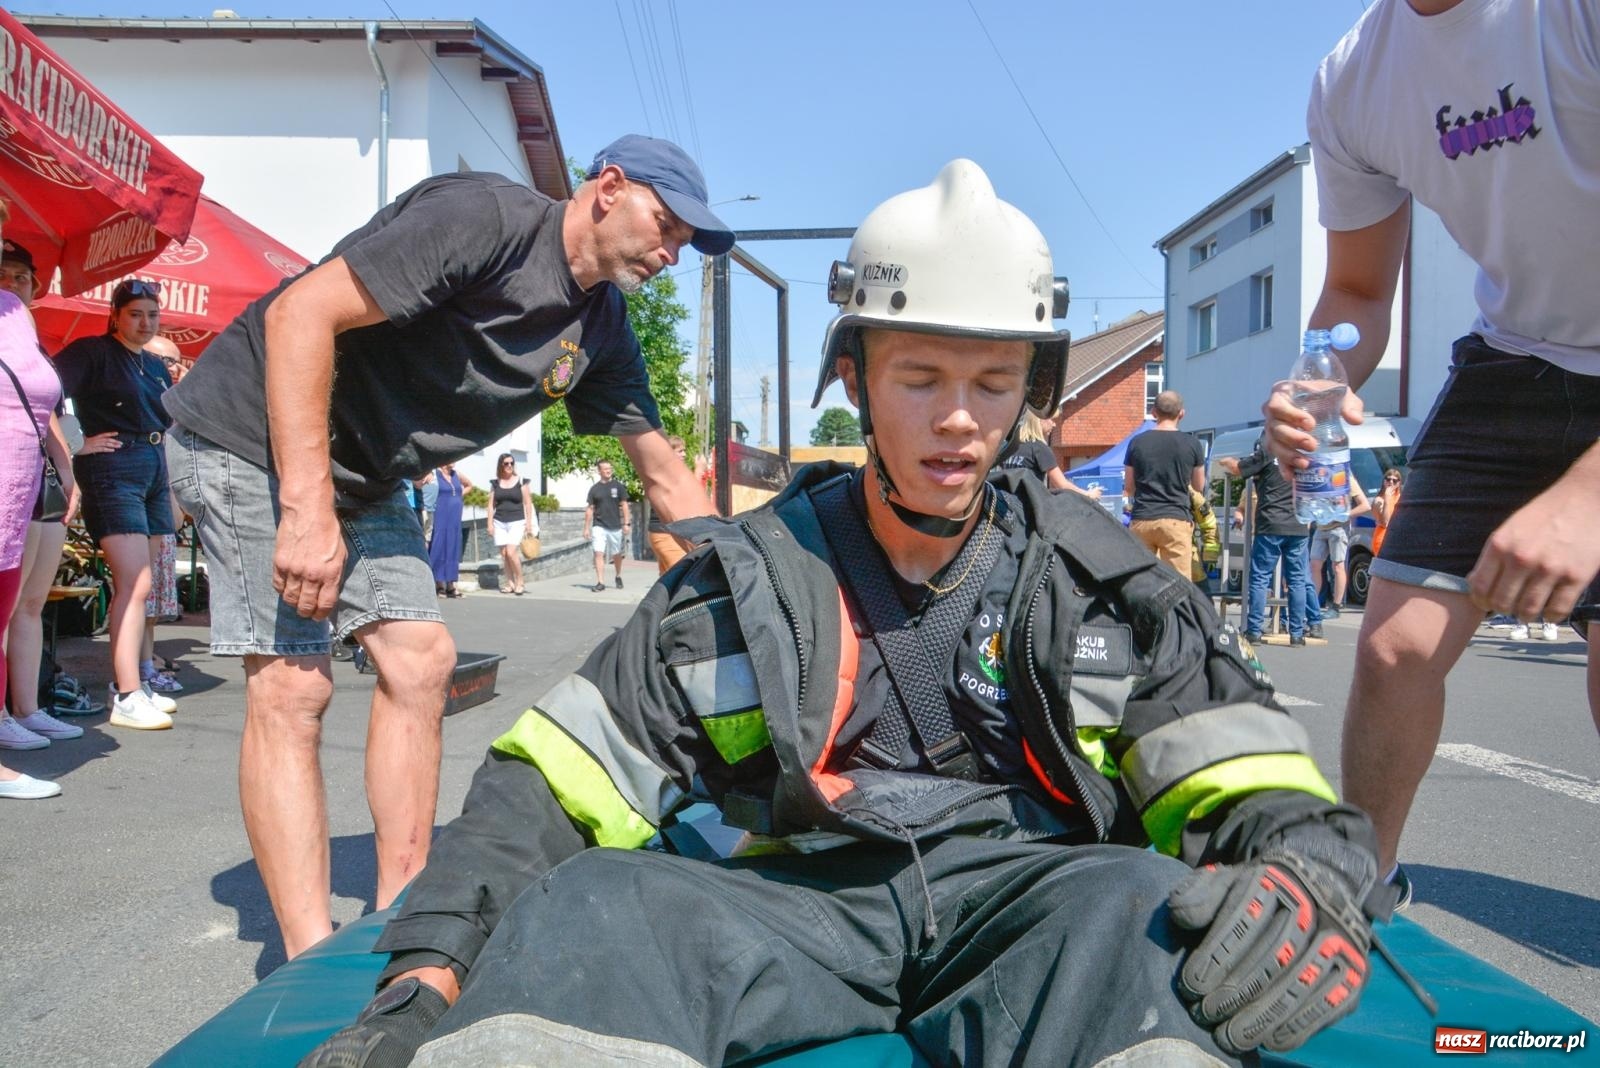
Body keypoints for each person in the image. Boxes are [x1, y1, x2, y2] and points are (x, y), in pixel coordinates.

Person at [304, 160, 1386, 1068]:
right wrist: (426, 975)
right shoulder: (735, 589)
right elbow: (551, 786)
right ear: (853, 381)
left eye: (995, 381)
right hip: (788, 905)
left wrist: (1308, 864)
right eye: (918, 376)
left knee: (1149, 915)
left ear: (1030, 392)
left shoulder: (1102, 586)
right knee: (595, 906)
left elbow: (1241, 768)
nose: (958, 420)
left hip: (1035, 904)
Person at [161, 133, 728, 959]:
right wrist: (308, 509)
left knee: (421, 662)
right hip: (252, 435)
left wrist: (742, 600)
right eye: (668, 225)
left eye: (683, 241)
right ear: (609, 188)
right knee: (293, 686)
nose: (673, 252)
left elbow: (666, 479)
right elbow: (299, 312)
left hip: (369, 468)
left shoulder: (599, 327)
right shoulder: (484, 220)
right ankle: (306, 960)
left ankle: (400, 921)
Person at [1263, 0, 1600, 905]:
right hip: (1516, 356)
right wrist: (1320, 374)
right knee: (1395, 651)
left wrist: (1590, 495)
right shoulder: (1352, 81)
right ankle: (1359, 890)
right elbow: (1358, 289)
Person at [55, 279, 178, 731]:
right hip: (112, 469)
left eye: (152, 314)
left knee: (140, 587)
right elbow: (42, 392)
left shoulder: (155, 366)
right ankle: (126, 693)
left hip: (152, 468)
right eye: (135, 314)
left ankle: (135, 685)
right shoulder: (91, 352)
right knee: (136, 582)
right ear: (115, 315)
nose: (145, 323)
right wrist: (75, 443)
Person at [1, 236, 94, 743]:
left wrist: (66, 470)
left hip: (39, 479)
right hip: (11, 474)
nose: (12, 283)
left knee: (31, 601)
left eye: (21, 277)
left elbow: (49, 417)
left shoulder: (29, 336)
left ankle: (27, 706)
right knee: (8, 604)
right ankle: (8, 717)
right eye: (4, 273)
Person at [1221, 440, 1310, 646]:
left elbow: (1238, 469)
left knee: (1260, 577)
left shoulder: (1269, 452)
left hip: (1270, 524)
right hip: (1298, 524)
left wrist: (1226, 461)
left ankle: (1254, 630)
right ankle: (1297, 634)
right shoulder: (1303, 456)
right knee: (1297, 580)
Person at [1124, 391, 1206, 577]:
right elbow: (1199, 486)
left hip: (1142, 519)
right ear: (1182, 413)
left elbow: (1128, 487)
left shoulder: (1137, 443)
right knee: (1178, 583)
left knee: (1139, 580)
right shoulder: (1192, 444)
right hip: (1176, 520)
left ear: (1153, 412)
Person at [991, 410, 1102, 498]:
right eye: (1052, 420)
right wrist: (1088, 495)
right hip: (1028, 510)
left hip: (1007, 506)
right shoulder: (1039, 448)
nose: (1054, 425)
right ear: (1040, 421)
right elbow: (1061, 484)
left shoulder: (1011, 446)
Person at [1308, 481, 1370, 618]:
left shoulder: (1346, 476)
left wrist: (1343, 515)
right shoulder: (1321, 474)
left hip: (1339, 529)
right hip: (1321, 527)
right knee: (1314, 565)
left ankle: (1336, 606)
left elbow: (1365, 505)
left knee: (1338, 566)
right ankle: (1312, 604)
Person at [646, 434, 693, 575]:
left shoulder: (667, 472)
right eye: (680, 451)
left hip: (665, 532)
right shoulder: (667, 474)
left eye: (684, 450)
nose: (684, 454)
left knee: (667, 579)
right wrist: (699, 472)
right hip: (664, 533)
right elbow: (684, 498)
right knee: (681, 576)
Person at [488, 453, 534, 595]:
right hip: (499, 521)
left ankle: (520, 581)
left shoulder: (521, 481)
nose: (509, 466)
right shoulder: (495, 483)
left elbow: (528, 503)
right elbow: (490, 505)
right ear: (501, 465)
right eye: (506, 463)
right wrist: (489, 524)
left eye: (511, 463)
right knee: (504, 554)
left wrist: (529, 523)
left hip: (517, 521)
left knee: (511, 552)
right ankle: (510, 583)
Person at [583, 459, 631, 592]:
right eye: (605, 469)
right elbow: (590, 509)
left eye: (610, 468)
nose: (608, 470)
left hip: (615, 526)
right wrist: (586, 528)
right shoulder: (594, 489)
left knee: (617, 554)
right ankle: (600, 582)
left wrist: (626, 523)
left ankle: (618, 575)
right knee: (598, 553)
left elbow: (625, 506)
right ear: (599, 471)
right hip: (599, 525)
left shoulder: (618, 486)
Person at [426, 464, 470, 599]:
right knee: (439, 546)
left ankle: (451, 585)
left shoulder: (456, 474)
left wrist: (457, 497)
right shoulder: (435, 474)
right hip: (441, 514)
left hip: (454, 517)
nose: (455, 461)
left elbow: (469, 485)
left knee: (452, 547)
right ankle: (439, 585)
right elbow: (428, 488)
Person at [1370, 466, 1402, 559]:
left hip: (1398, 541)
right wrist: (1387, 497)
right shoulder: (1378, 500)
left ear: (1399, 483)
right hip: (1383, 541)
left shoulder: (1402, 498)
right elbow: (1385, 522)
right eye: (1388, 479)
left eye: (1394, 481)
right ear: (1384, 481)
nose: (1391, 482)